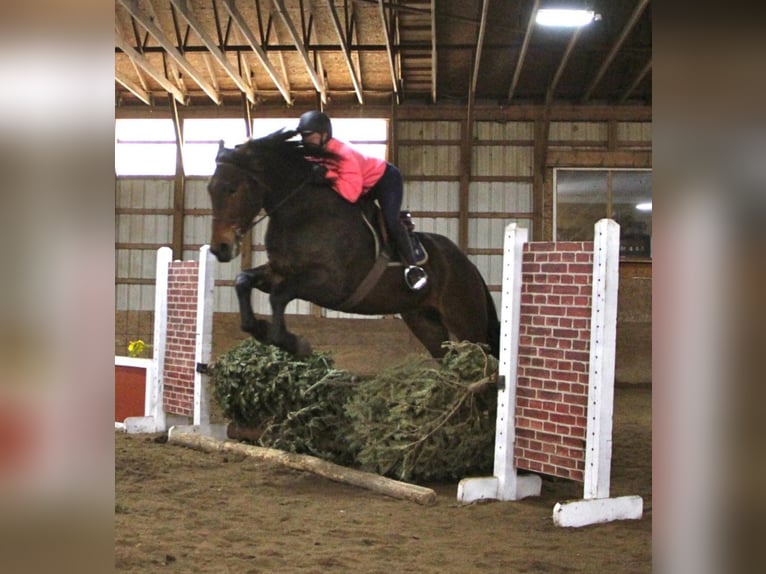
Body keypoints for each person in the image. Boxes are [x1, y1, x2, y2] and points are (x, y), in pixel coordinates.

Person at [296, 110, 428, 291]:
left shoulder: (344, 155)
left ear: (324, 135)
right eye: (303, 137)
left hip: (385, 180)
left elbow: (351, 194)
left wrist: (327, 176)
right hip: (362, 183)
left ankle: (413, 267)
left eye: (308, 137)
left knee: (390, 219)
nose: (305, 141)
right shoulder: (315, 152)